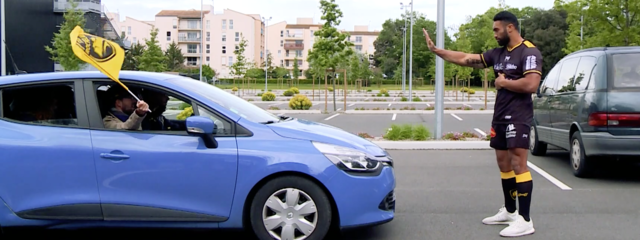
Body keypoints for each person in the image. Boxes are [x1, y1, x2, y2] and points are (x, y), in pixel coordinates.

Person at [422, 11, 542, 237]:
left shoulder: (529, 51)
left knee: (518, 163)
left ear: (510, 28)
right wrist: (437, 51)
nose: (494, 34)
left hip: (518, 116)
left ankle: (525, 220)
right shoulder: (497, 54)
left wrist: (504, 83)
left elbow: (531, 84)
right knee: (503, 163)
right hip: (500, 115)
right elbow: (467, 58)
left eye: (497, 29)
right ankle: (509, 211)